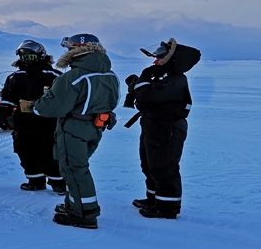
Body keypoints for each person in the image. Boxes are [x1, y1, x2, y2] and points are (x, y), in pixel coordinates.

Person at [21, 34, 119, 229]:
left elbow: (52, 107)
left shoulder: (73, 77)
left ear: (76, 50)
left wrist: (33, 106)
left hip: (74, 128)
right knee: (78, 167)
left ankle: (84, 214)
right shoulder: (109, 74)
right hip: (95, 127)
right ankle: (75, 204)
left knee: (74, 169)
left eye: (68, 49)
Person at [123, 38, 201, 219]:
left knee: (165, 166)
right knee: (149, 164)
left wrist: (141, 81)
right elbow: (145, 95)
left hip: (168, 127)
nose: (155, 58)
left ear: (171, 58)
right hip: (153, 124)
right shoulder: (161, 75)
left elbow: (149, 94)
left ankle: (167, 207)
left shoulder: (175, 79)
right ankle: (154, 199)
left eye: (160, 54)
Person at [0, 40, 65, 194]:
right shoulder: (15, 76)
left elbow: (63, 99)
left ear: (41, 56)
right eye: (24, 56)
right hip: (23, 121)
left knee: (50, 152)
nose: (27, 59)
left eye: (31, 56)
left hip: (48, 122)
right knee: (25, 150)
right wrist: (3, 112)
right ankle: (35, 180)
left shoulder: (54, 76)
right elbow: (8, 97)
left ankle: (58, 183)